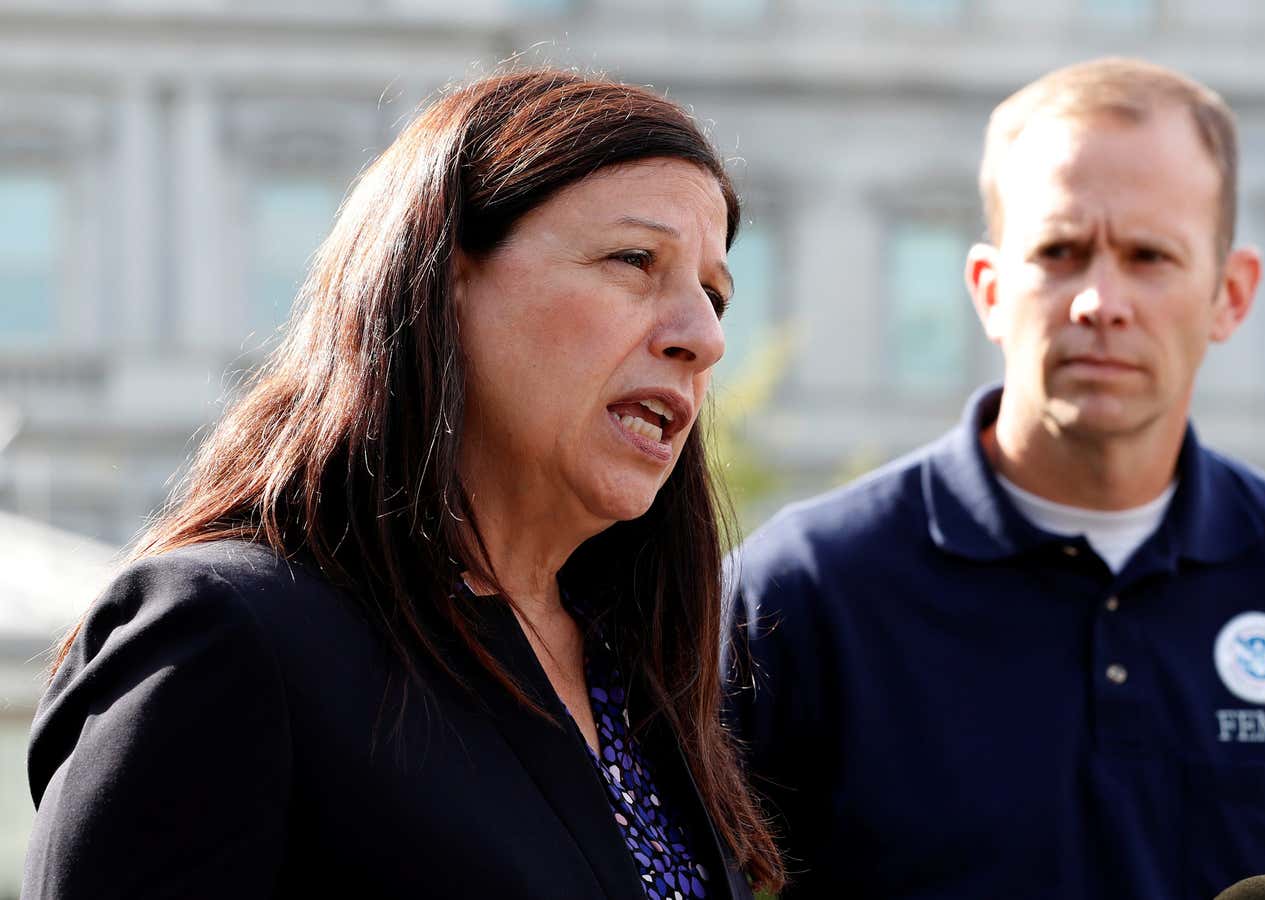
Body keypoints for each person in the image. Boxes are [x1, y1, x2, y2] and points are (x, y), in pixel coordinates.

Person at [726, 58, 1265, 899]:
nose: (1100, 300)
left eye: (1149, 255)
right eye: (1059, 251)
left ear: (1230, 295)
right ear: (989, 288)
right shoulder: (804, 587)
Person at [26, 68, 784, 900]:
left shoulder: (642, 671)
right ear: (444, 277)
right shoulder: (230, 635)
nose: (705, 338)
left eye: (714, 295)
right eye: (635, 260)